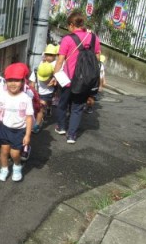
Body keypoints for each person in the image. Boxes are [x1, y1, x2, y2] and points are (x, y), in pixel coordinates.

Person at [53, 11, 101, 144]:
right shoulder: (93, 38)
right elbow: (97, 59)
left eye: (68, 25)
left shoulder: (67, 39)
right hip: (85, 81)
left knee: (62, 104)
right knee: (77, 107)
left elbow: (60, 61)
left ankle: (61, 127)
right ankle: (72, 135)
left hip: (67, 80)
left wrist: (55, 76)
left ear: (72, 25)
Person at [0, 63, 34, 182]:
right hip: (4, 129)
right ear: (5, 82)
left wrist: (27, 135)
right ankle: (4, 169)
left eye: (16, 80)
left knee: (15, 154)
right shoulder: (3, 96)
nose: (13, 83)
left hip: (19, 131)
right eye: (9, 80)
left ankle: (17, 166)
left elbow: (29, 117)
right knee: (4, 152)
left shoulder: (26, 98)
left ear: (22, 82)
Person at [29, 61, 55, 133]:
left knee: (41, 109)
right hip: (37, 93)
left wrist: (54, 81)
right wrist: (33, 94)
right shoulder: (36, 71)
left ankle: (37, 124)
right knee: (37, 109)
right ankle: (36, 124)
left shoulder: (54, 72)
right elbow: (32, 84)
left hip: (48, 93)